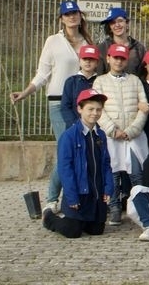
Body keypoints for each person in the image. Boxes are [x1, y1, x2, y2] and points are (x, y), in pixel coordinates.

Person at [11, 0, 93, 212]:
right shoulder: (53, 41)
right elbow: (42, 74)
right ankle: (51, 198)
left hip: (83, 103)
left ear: (80, 16)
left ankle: (70, 197)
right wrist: (25, 92)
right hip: (58, 102)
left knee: (80, 150)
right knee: (67, 149)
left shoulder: (87, 41)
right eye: (67, 14)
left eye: (74, 13)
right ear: (61, 18)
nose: (72, 17)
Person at [92, 44, 149, 226]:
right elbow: (97, 109)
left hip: (132, 136)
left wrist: (132, 130)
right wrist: (112, 130)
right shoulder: (100, 82)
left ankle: (141, 208)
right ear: (108, 58)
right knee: (114, 174)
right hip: (111, 137)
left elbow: (144, 106)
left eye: (122, 58)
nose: (118, 61)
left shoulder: (134, 80)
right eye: (115, 57)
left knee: (136, 174)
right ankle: (115, 208)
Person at [42, 89, 113, 239]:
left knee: (97, 230)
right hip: (79, 194)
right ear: (79, 109)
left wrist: (108, 188)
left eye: (98, 109)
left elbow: (106, 164)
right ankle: (49, 218)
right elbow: (65, 169)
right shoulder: (68, 136)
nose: (95, 113)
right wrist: (72, 196)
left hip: (96, 194)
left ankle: (86, 220)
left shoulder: (100, 135)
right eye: (90, 109)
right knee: (72, 232)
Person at [95, 7, 146, 75]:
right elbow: (99, 75)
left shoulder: (139, 48)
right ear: (109, 27)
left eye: (120, 21)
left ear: (127, 23)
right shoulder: (102, 48)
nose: (117, 25)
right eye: (113, 22)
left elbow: (143, 75)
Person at [59, 45, 100, 129]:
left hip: (97, 128)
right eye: (84, 59)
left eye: (91, 59)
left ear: (97, 62)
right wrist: (75, 124)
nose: (88, 62)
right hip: (75, 128)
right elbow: (65, 107)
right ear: (79, 61)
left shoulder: (101, 81)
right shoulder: (71, 82)